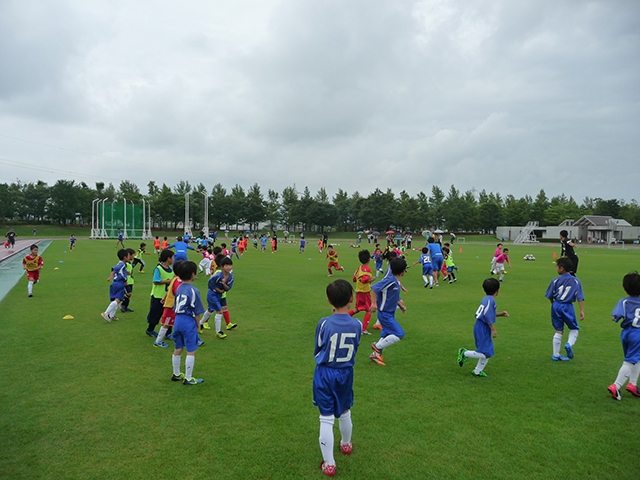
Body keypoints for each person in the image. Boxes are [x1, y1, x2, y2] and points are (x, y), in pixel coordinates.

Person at [313, 279, 362, 478]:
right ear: (351, 299)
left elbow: (318, 348)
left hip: (325, 373)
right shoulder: (357, 324)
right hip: (345, 373)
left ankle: (330, 463)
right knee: (344, 410)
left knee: (325, 418)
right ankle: (346, 444)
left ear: (329, 301)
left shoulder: (324, 323)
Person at [457, 278, 509, 377]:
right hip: (482, 328)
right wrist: (493, 329)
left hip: (481, 326)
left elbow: (488, 313)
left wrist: (501, 314)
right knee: (486, 352)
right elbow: (487, 316)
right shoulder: (491, 301)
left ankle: (477, 371)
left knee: (488, 351)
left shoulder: (486, 299)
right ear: (498, 290)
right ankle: (465, 353)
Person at [171, 261, 206, 385]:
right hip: (188, 320)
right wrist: (198, 325)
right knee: (191, 349)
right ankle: (189, 377)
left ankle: (176, 373)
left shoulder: (179, 287)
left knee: (178, 347)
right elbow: (197, 311)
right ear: (193, 274)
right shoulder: (194, 291)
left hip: (178, 319)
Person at [607, 271, 640, 400]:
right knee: (630, 361)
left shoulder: (624, 301)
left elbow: (615, 316)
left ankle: (633, 384)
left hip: (626, 333)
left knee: (635, 358)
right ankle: (616, 386)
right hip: (638, 334)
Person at [545, 257, 585, 361]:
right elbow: (580, 297)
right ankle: (569, 344)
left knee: (559, 329)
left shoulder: (555, 280)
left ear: (561, 269)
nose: (556, 269)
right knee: (574, 328)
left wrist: (553, 304)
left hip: (556, 305)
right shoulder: (576, 281)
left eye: (557, 267)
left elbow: (550, 295)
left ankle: (556, 354)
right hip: (568, 306)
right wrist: (582, 310)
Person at [369, 257, 408, 366]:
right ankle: (376, 347)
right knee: (399, 334)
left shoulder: (395, 282)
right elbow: (375, 288)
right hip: (385, 314)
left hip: (390, 313)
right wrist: (374, 303)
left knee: (386, 335)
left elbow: (393, 296)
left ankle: (375, 355)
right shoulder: (390, 280)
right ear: (402, 271)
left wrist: (401, 305)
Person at [199, 256, 235, 339]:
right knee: (219, 311)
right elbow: (210, 284)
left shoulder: (231, 277)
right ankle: (218, 332)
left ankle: (200, 324)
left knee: (210, 310)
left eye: (230, 265)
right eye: (226, 265)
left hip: (219, 295)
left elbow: (228, 288)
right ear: (221, 267)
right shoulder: (217, 276)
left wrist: (223, 284)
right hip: (212, 294)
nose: (228, 267)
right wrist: (219, 290)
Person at [154, 261, 184, 348]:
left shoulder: (175, 278)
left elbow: (169, 290)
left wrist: (164, 297)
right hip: (171, 306)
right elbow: (176, 292)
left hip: (173, 305)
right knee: (166, 324)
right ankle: (158, 341)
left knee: (177, 322)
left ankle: (180, 337)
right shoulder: (178, 280)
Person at [146, 249, 175, 337]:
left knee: (168, 315)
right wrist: (169, 281)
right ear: (168, 258)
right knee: (156, 314)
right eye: (173, 257)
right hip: (158, 296)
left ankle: (168, 333)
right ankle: (150, 330)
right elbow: (156, 281)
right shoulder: (158, 268)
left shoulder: (171, 269)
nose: (174, 259)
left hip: (168, 297)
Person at [348, 250, 377, 335]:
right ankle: (363, 329)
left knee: (357, 309)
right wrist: (372, 279)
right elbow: (364, 280)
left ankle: (342, 318)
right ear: (369, 259)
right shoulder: (367, 269)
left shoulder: (359, 268)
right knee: (369, 310)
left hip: (358, 292)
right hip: (365, 292)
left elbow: (354, 279)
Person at [101, 249, 130, 322]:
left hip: (115, 283)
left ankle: (111, 316)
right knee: (118, 300)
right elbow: (115, 269)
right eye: (128, 256)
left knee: (116, 300)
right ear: (125, 257)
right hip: (119, 283)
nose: (129, 257)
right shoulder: (122, 264)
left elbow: (116, 270)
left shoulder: (119, 263)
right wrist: (125, 280)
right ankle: (106, 313)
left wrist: (111, 276)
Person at [120, 248, 136, 313]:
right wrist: (126, 272)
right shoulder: (125, 263)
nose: (134, 256)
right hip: (126, 281)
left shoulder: (129, 263)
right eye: (133, 255)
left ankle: (125, 307)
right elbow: (121, 270)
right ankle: (121, 304)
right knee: (128, 293)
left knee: (129, 294)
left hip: (130, 281)